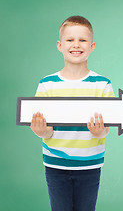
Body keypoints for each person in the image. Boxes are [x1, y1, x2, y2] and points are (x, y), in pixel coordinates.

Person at [30, 15, 114, 211]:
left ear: (92, 46)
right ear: (60, 45)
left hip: (90, 165)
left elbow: (106, 130)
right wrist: (41, 131)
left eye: (82, 40)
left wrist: (99, 131)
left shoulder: (102, 84)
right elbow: (46, 131)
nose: (76, 45)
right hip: (55, 165)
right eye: (70, 40)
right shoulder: (46, 84)